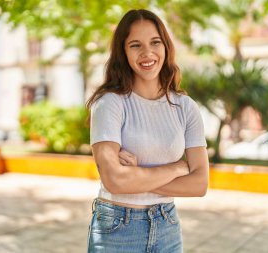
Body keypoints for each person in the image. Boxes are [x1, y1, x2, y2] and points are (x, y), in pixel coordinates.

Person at [85, 9, 209, 253]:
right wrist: (177, 168)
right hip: (118, 227)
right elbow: (114, 180)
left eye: (155, 42)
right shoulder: (110, 103)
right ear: (123, 52)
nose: (147, 53)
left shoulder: (185, 107)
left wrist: (136, 177)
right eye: (135, 45)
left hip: (167, 225)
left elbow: (199, 184)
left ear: (166, 47)